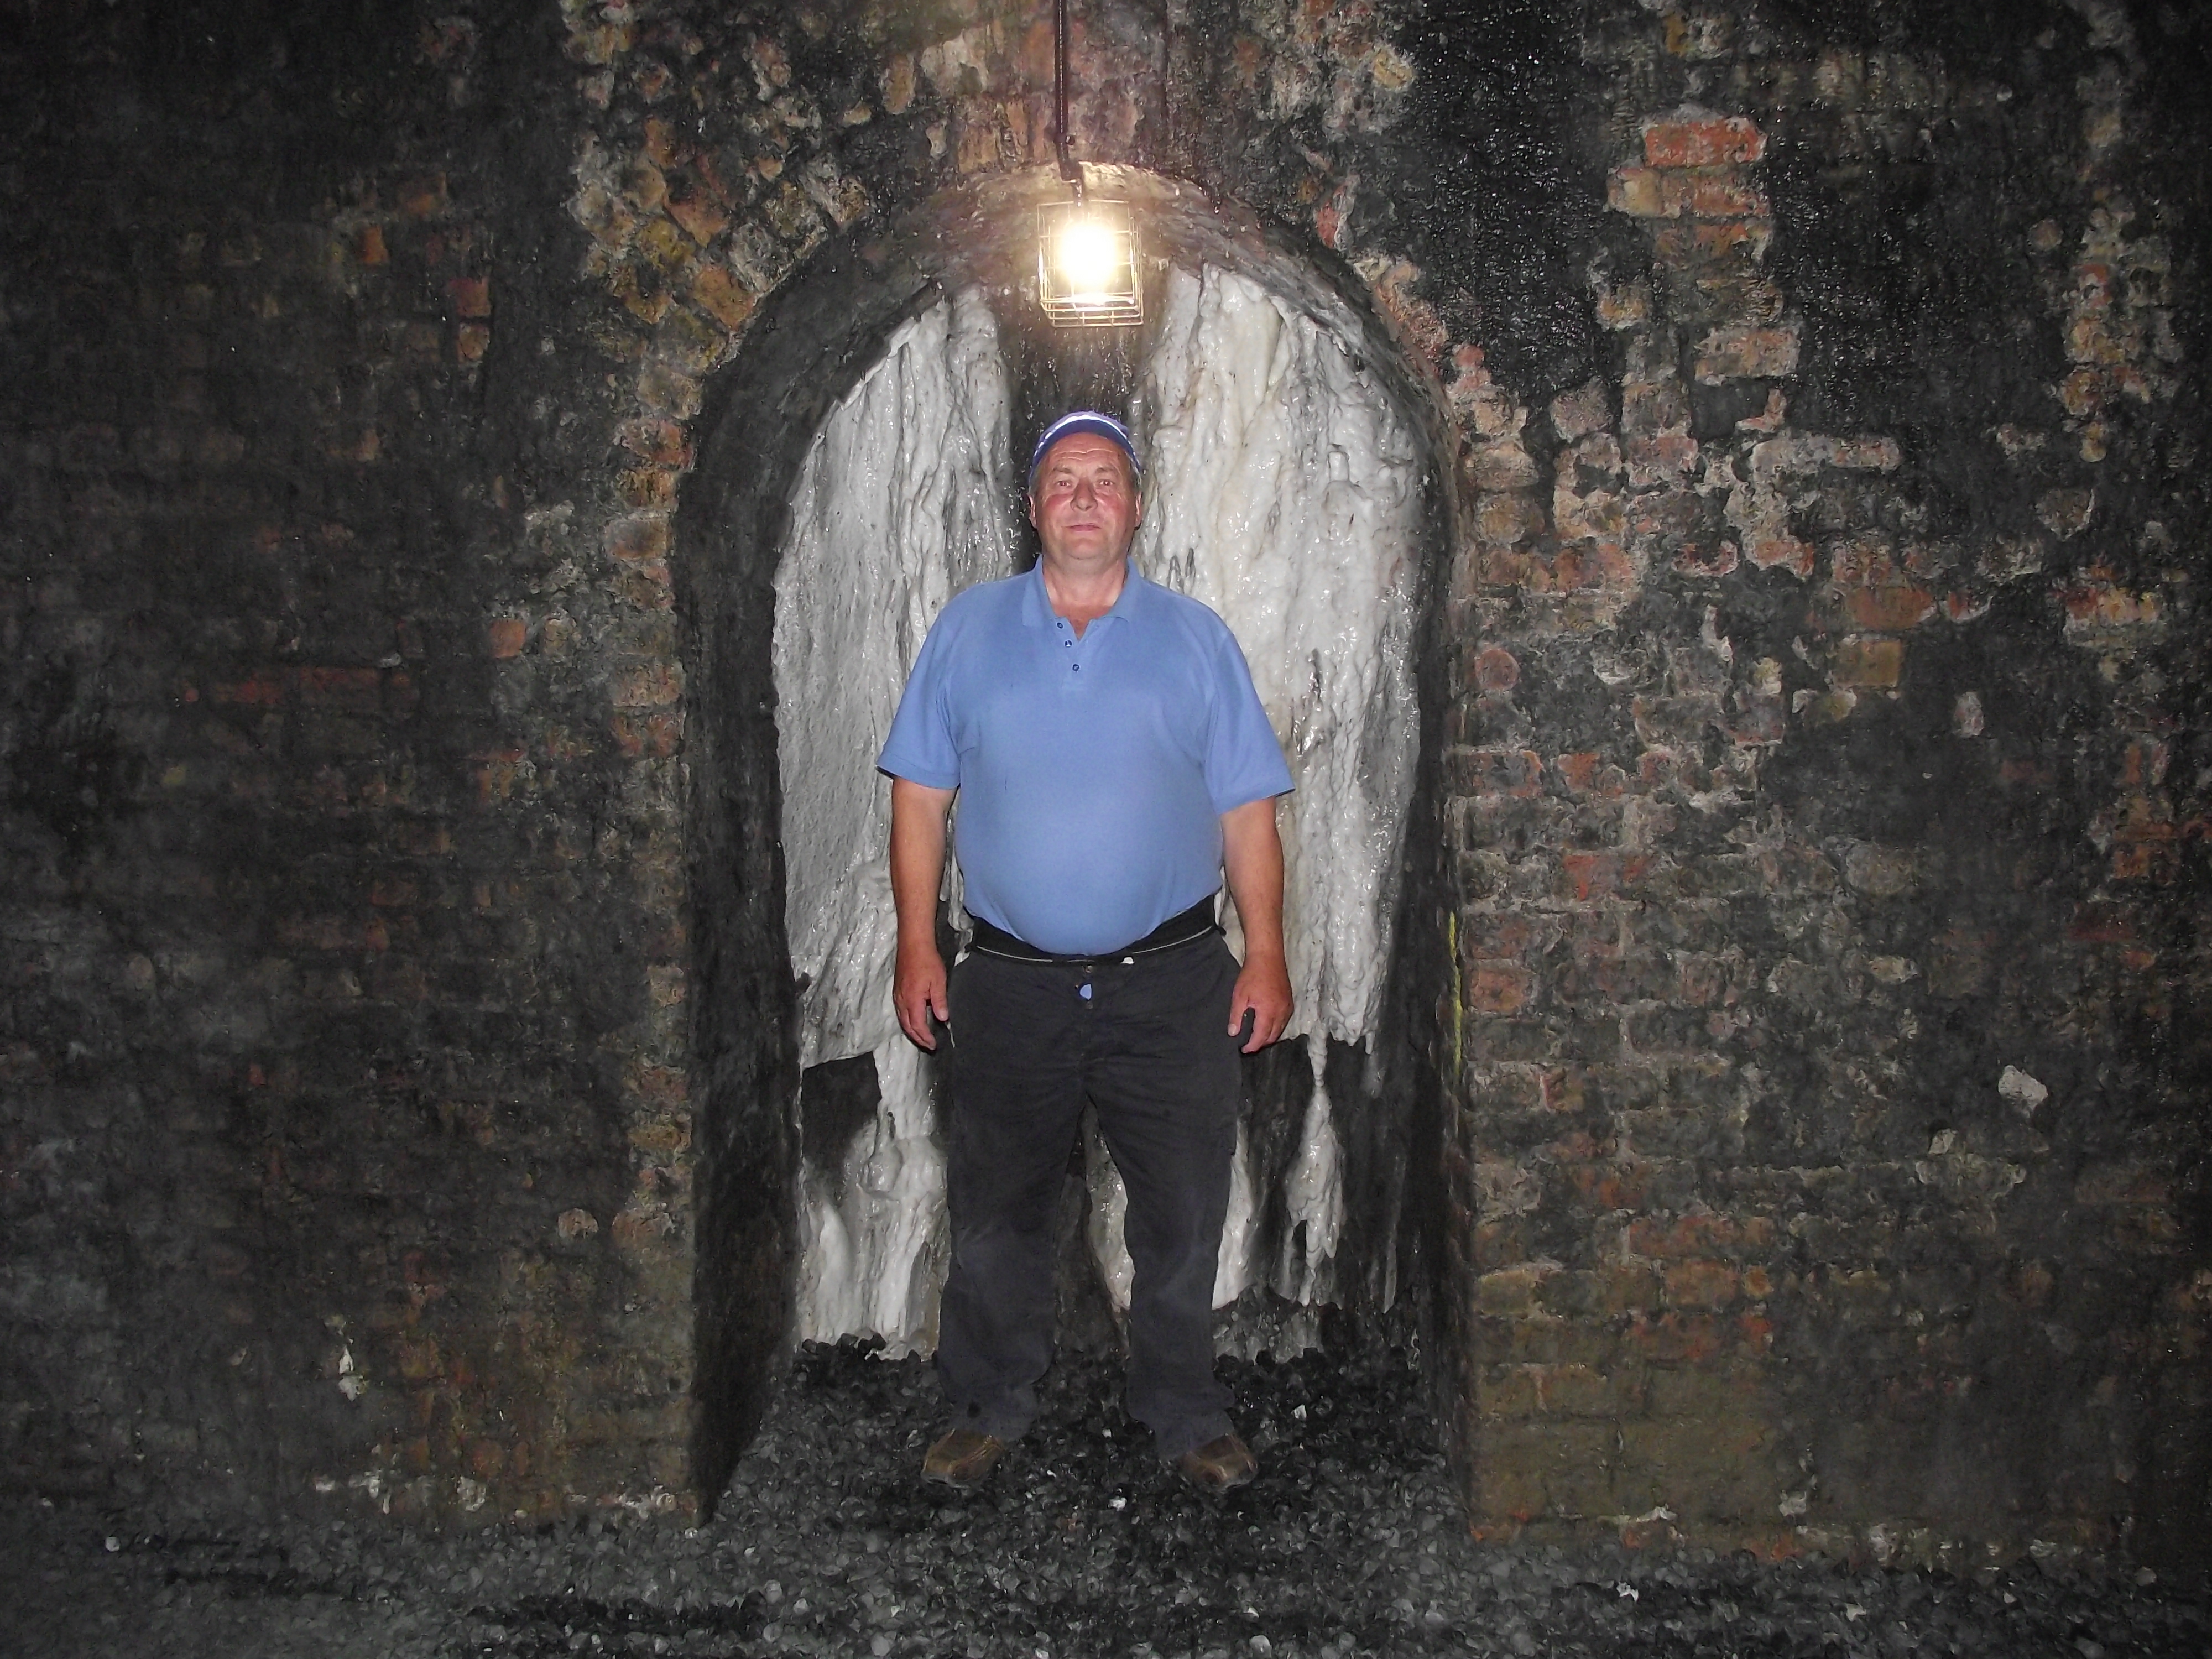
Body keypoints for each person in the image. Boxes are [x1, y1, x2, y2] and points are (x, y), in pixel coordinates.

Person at [877, 409, 1294, 1494]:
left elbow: (1247, 810)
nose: (1082, 496)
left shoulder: (1195, 639)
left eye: (1103, 478)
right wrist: (916, 945)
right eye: (1062, 479)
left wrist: (1266, 953)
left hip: (1172, 982)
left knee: (1181, 1212)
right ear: (1032, 507)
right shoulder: (967, 631)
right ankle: (986, 1405)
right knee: (997, 1211)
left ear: (1135, 506)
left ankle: (1183, 1411)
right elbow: (919, 799)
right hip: (1009, 981)